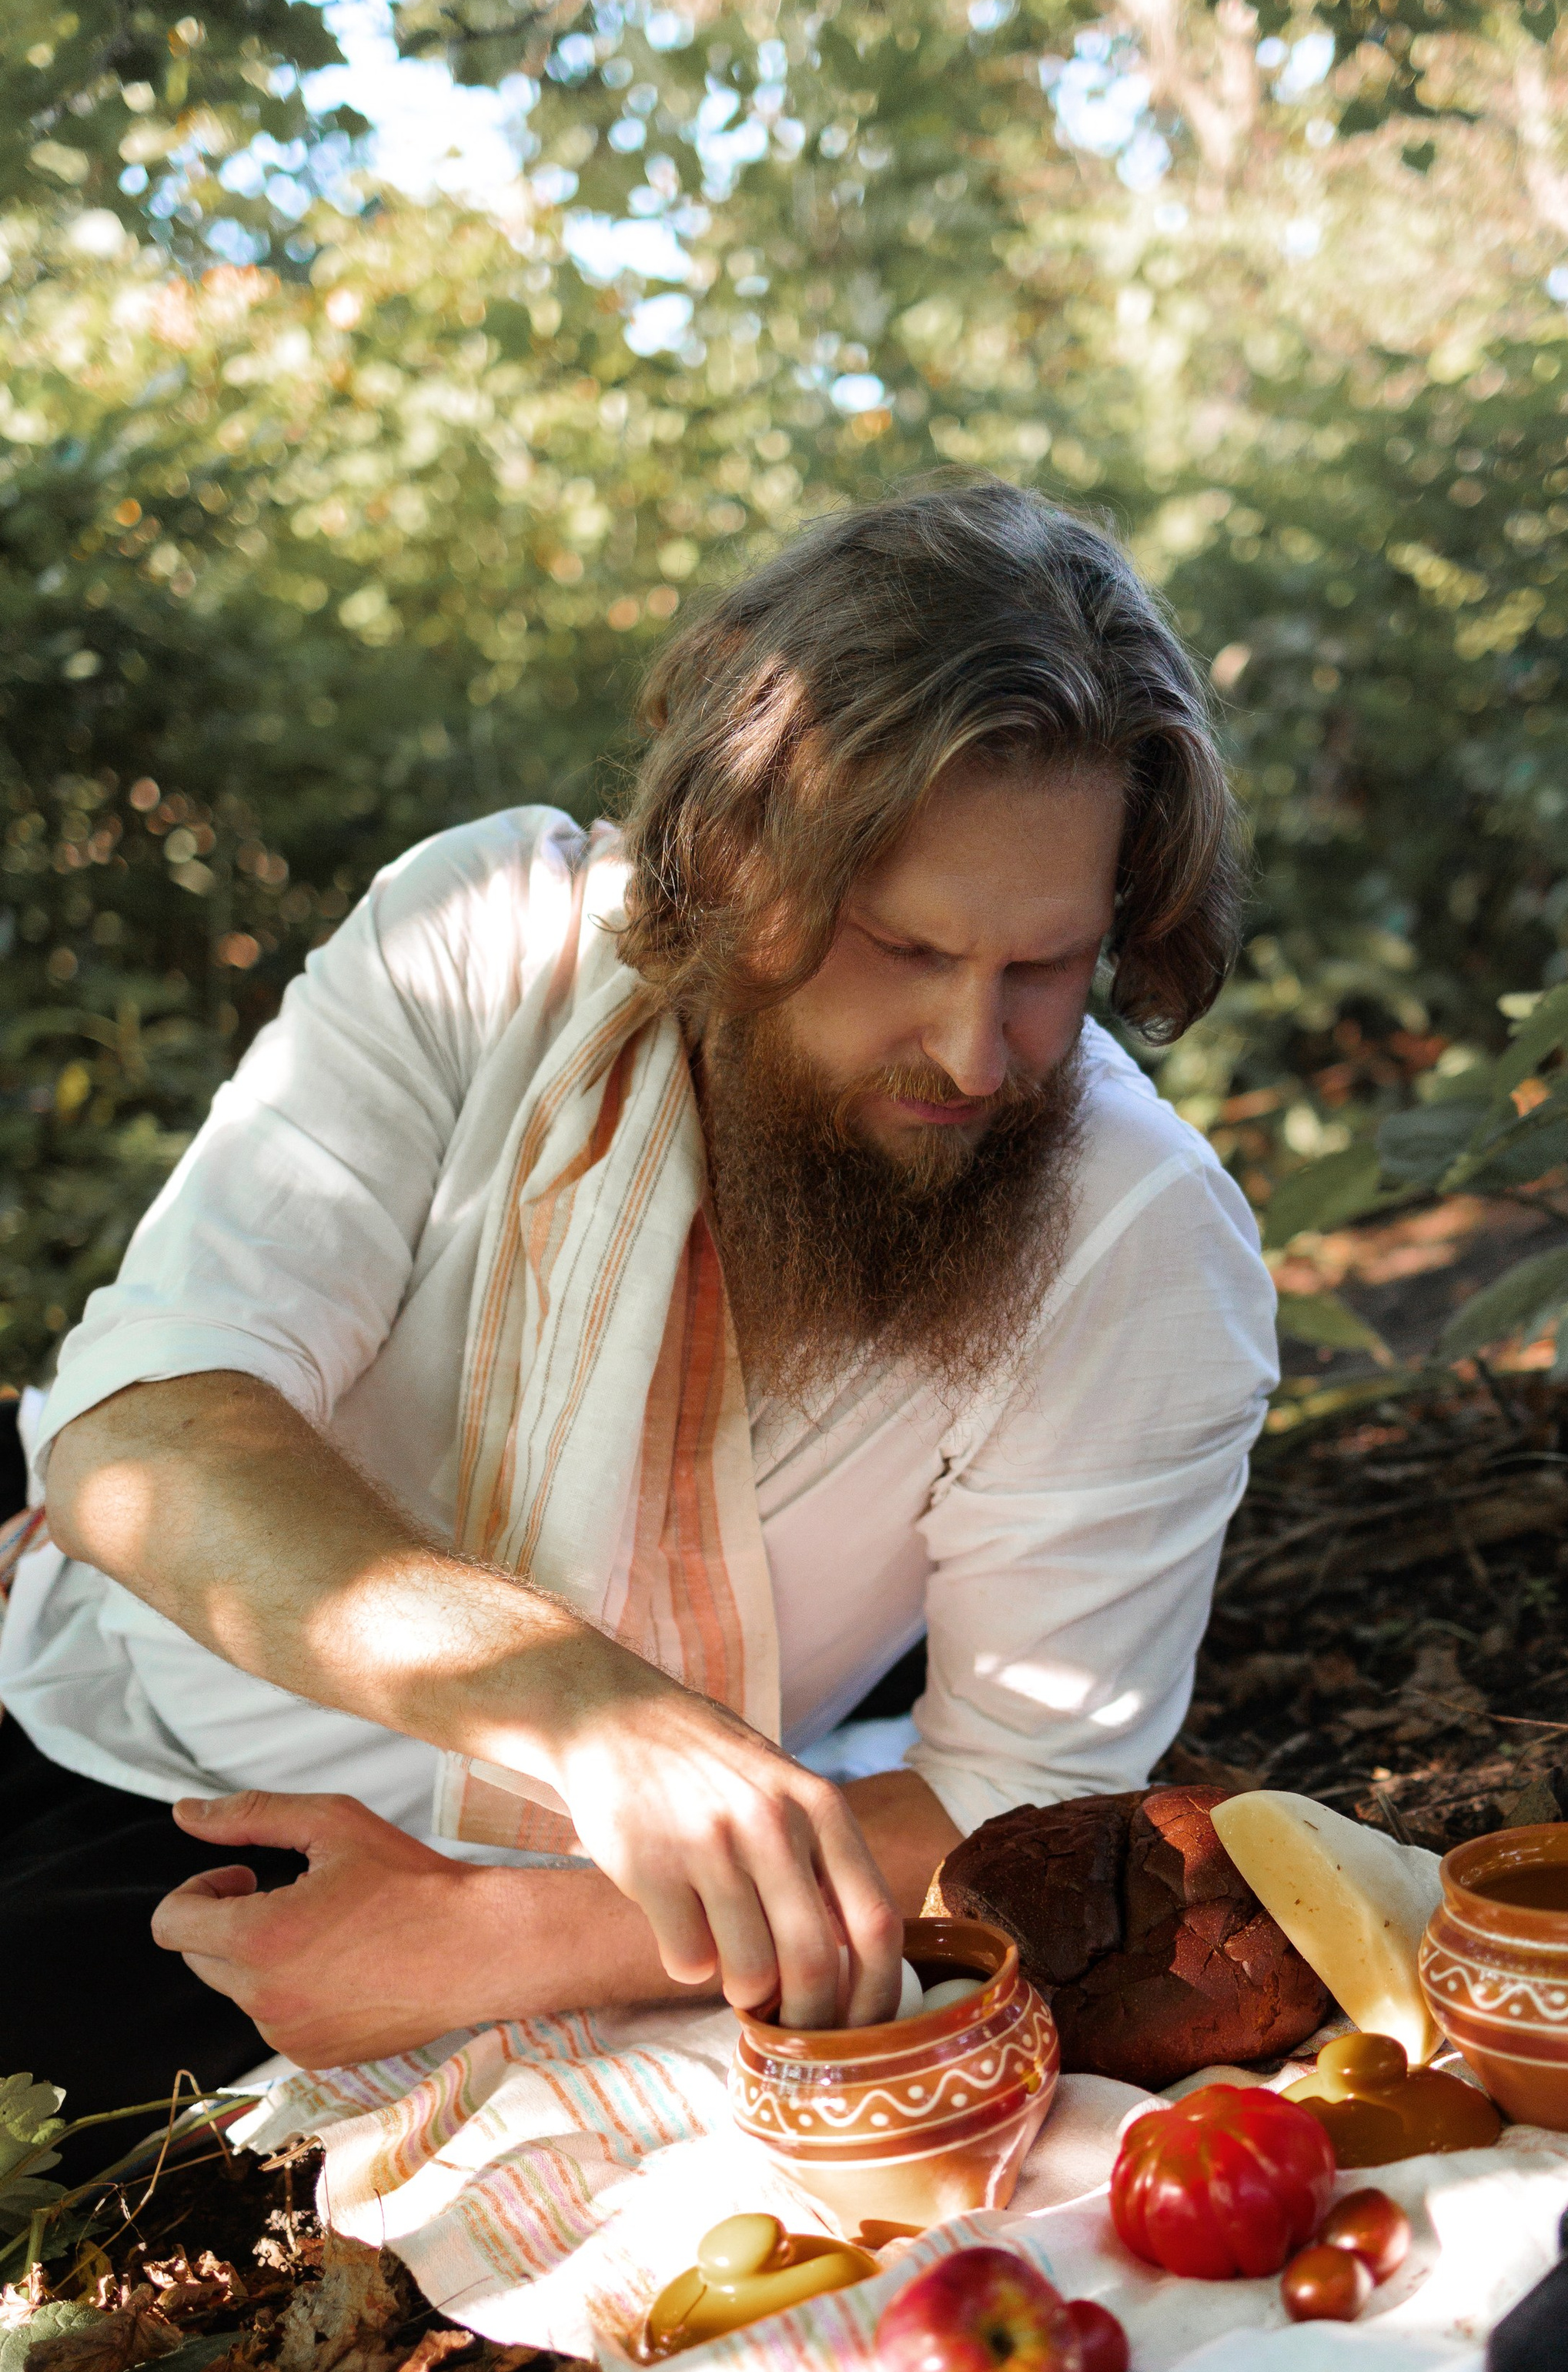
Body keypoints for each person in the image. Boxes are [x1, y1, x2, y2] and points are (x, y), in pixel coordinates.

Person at [0, 480, 1276, 2124]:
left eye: (1044, 969)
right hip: (89, 1661)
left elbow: (1011, 1809)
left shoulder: (1141, 1247)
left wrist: (496, 1939)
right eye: (898, 949)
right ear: (732, 861)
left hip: (280, 1889)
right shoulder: (485, 941)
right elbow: (144, 1434)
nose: (977, 1054)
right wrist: (594, 1717)